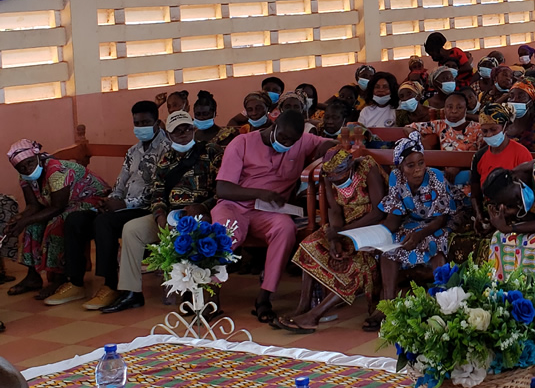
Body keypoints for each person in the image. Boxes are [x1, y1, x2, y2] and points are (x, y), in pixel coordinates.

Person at [210, 111, 335, 323]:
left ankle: (264, 298)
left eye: (292, 141)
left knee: (285, 229)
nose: (287, 144)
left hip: (269, 212)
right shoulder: (242, 143)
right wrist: (259, 193)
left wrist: (327, 153)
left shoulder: (300, 141)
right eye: (284, 138)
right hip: (235, 206)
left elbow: (330, 144)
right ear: (274, 126)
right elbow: (222, 188)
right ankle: (211, 295)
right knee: (225, 233)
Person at [101, 111, 225, 314]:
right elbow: (157, 193)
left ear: (193, 129)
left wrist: (203, 206)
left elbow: (221, 189)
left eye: (186, 128)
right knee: (132, 229)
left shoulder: (212, 152)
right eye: (177, 131)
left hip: (199, 212)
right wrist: (159, 217)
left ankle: (198, 293)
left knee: (198, 231)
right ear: (169, 134)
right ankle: (131, 292)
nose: (183, 133)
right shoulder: (166, 160)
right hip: (169, 214)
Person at [53, 101, 171, 309]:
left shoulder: (167, 150)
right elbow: (121, 182)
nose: (141, 127)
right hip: (122, 205)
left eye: (146, 122)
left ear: (157, 123)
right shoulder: (133, 152)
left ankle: (110, 284)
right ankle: (75, 282)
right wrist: (110, 200)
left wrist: (123, 203)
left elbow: (159, 189)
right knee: (76, 219)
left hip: (146, 208)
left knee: (104, 223)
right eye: (137, 123)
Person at [277, 149, 388, 333]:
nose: (336, 180)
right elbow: (335, 210)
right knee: (309, 246)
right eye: (332, 177)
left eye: (340, 175)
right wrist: (335, 238)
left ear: (350, 165)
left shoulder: (368, 168)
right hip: (344, 228)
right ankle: (303, 307)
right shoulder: (328, 177)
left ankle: (314, 316)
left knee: (358, 265)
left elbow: (379, 211)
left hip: (372, 228)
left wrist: (342, 233)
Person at [367, 133, 453, 331]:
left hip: (439, 221)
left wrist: (419, 235)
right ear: (400, 167)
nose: (417, 170)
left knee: (435, 244)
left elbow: (441, 218)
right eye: (411, 165)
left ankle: (441, 305)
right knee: (389, 249)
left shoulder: (435, 177)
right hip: (413, 222)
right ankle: (387, 305)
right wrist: (375, 235)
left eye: (421, 163)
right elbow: (394, 216)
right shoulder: (396, 178)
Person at [5, 140, 109, 299]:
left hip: (91, 199)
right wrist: (18, 219)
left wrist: (25, 220)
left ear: (37, 156)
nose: (27, 169)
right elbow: (33, 206)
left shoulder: (56, 170)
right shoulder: (25, 176)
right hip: (63, 204)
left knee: (58, 223)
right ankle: (32, 276)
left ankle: (60, 277)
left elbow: (58, 207)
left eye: (30, 163)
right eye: (22, 167)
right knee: (33, 226)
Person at [408, 92, 483, 152]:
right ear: (444, 108)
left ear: (466, 109)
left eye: (459, 107)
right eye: (449, 107)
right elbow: (409, 128)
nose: (454, 111)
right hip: (445, 168)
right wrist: (421, 140)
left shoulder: (478, 128)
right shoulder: (440, 125)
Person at [505, 79, 535, 152]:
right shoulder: (503, 124)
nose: (514, 100)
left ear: (531, 102)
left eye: (521, 96)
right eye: (511, 96)